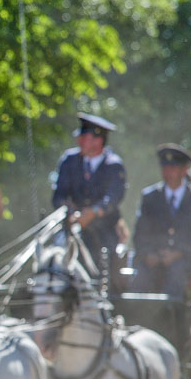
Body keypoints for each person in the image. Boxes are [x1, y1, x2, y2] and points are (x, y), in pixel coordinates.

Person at [51, 112, 126, 273]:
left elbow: (113, 197)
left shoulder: (113, 165)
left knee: (108, 265)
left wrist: (93, 212)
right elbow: (59, 195)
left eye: (84, 138)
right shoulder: (69, 160)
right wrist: (70, 214)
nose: (79, 141)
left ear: (98, 140)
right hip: (71, 228)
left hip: (103, 231)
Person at [132, 144, 191, 298]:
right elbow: (140, 233)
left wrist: (177, 253)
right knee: (139, 281)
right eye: (165, 168)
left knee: (177, 276)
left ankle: (170, 319)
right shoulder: (150, 197)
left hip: (183, 261)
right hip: (152, 259)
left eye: (173, 168)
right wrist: (149, 254)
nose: (168, 173)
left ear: (184, 170)